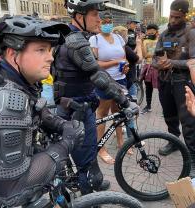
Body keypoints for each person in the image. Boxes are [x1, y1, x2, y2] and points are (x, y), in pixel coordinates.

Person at [0, 15, 85, 207]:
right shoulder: (5, 99)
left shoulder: (11, 78)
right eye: (41, 50)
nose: (50, 57)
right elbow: (14, 189)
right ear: (12, 54)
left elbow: (34, 106)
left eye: (50, 50)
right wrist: (65, 144)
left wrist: (61, 124)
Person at [52, 0, 132, 195]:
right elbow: (97, 75)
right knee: (85, 158)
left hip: (74, 104)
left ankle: (93, 181)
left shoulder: (68, 35)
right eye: (95, 15)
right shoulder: (76, 41)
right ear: (80, 17)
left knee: (87, 153)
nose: (100, 19)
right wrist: (123, 100)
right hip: (77, 107)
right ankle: (89, 197)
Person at [152, 0, 195, 177]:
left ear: (185, 15)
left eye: (177, 17)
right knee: (169, 114)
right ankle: (173, 141)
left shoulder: (191, 34)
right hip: (165, 82)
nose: (173, 20)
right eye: (171, 16)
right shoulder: (164, 34)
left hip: (182, 82)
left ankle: (192, 157)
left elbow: (193, 62)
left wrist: (170, 62)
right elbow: (154, 58)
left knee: (188, 121)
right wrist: (158, 64)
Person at [89, 12, 129, 164]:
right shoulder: (95, 39)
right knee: (103, 114)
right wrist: (115, 62)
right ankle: (101, 148)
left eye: (109, 21)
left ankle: (120, 143)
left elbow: (124, 58)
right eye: (103, 22)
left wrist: (125, 66)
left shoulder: (118, 37)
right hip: (104, 82)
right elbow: (96, 63)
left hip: (121, 79)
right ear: (99, 24)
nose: (107, 24)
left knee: (118, 112)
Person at [141, 24, 159, 114]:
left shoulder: (160, 40)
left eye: (153, 30)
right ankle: (148, 106)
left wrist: (151, 53)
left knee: (162, 88)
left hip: (159, 67)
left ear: (156, 31)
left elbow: (162, 54)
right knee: (148, 87)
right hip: (148, 67)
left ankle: (165, 108)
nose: (151, 32)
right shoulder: (145, 41)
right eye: (149, 31)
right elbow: (144, 55)